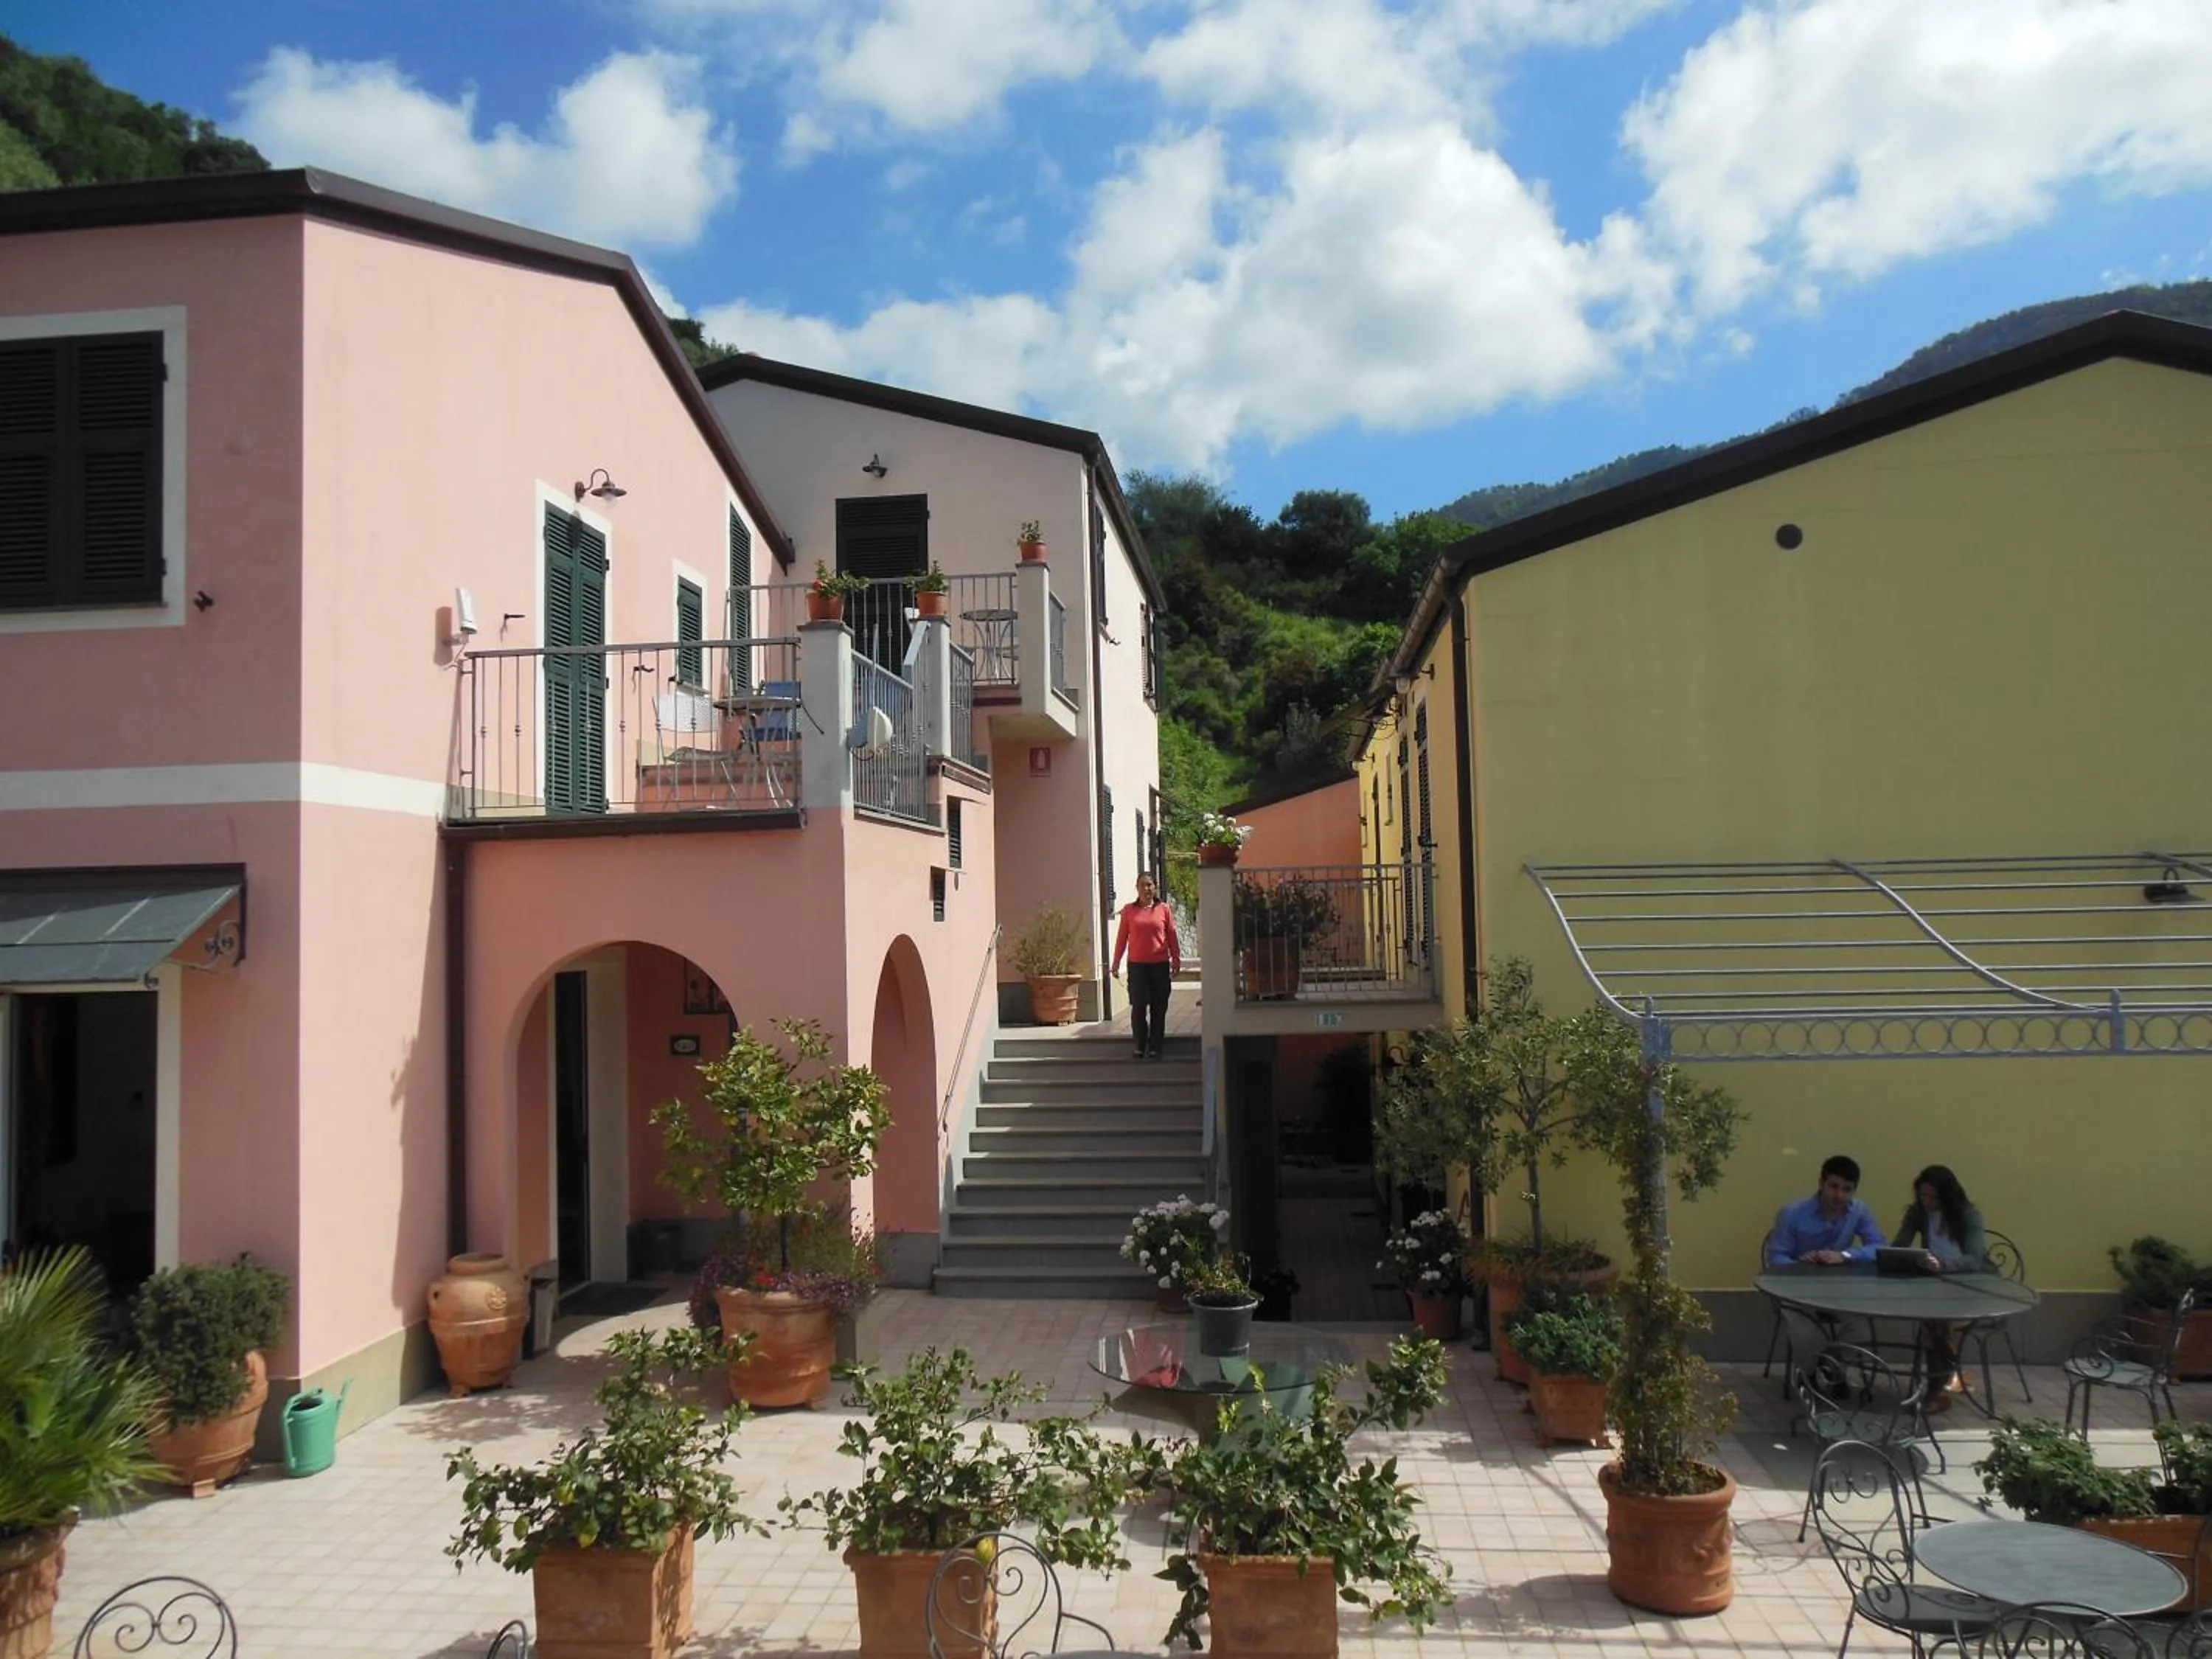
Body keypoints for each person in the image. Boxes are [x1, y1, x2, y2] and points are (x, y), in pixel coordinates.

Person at [1893, 1163, 1991, 1405]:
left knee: (1935, 1321)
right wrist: (1898, 1258)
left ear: (1947, 1197)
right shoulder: (1918, 1212)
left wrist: (1944, 1264)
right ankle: (1943, 1376)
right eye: (1922, 1195)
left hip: (1969, 1286)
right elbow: (1899, 1246)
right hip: (1933, 1285)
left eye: (1932, 1197)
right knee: (1933, 1319)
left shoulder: (1969, 1216)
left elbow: (1976, 1258)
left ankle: (1936, 1388)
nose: (1927, 1202)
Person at [1764, 1154, 1887, 1268]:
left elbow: (1879, 1248)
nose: (1839, 1196)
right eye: (1834, 1187)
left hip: (1839, 1283)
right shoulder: (1791, 1213)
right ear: (1821, 1184)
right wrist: (1800, 1265)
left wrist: (1845, 1255)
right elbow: (1775, 1258)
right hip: (1798, 1282)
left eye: (1847, 1189)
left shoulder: (1859, 1210)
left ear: (1854, 1190)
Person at [1110, 872, 1181, 1060]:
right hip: (1137, 966)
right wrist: (1116, 962)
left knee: (1159, 1007)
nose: (1146, 889)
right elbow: (1122, 939)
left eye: (1150, 885)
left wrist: (1176, 959)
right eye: (1143, 885)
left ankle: (1156, 1046)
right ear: (1137, 888)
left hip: (1159, 965)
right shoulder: (1129, 911)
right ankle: (1140, 1044)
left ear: (1155, 887)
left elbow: (1172, 936)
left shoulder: (1164, 909)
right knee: (1139, 1006)